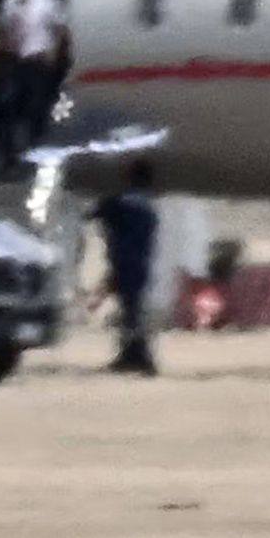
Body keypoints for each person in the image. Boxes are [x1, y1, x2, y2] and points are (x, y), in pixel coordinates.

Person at [0, 0, 70, 172]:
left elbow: (60, 28)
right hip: (18, 61)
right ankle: (9, 156)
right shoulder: (9, 4)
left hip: (39, 59)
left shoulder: (45, 0)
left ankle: (36, 151)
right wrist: (4, 48)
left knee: (37, 107)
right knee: (6, 105)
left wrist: (54, 53)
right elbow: (1, 29)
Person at [94, 159, 162, 377]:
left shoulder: (122, 204)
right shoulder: (149, 207)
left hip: (125, 263)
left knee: (131, 312)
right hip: (140, 264)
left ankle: (140, 357)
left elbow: (98, 212)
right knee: (132, 310)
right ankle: (131, 355)